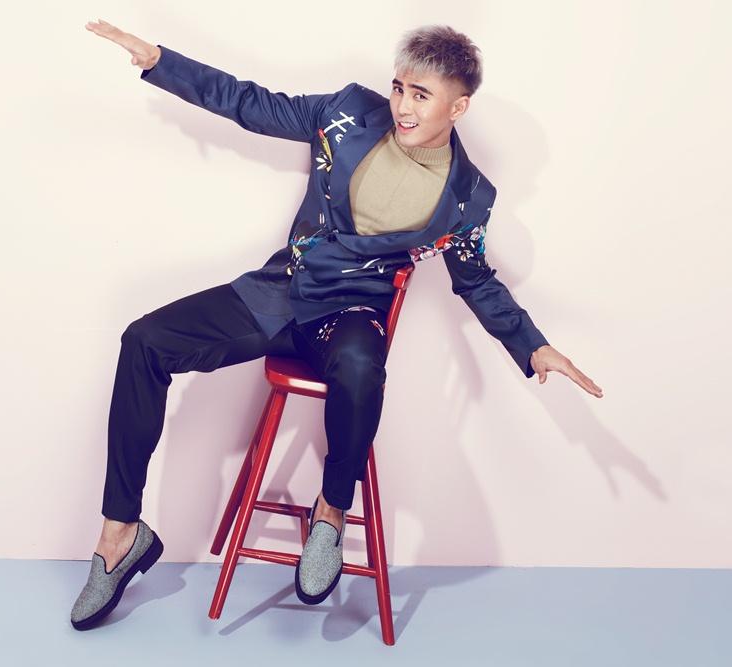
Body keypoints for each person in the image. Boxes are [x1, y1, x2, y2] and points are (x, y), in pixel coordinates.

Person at [71, 18, 604, 630]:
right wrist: (159, 61)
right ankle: (120, 535)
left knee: (360, 365)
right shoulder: (348, 112)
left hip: (350, 314)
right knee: (144, 341)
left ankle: (329, 513)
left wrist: (533, 347)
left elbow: (476, 280)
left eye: (421, 95)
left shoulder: (468, 198)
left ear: (458, 106)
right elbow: (251, 103)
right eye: (399, 88)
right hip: (280, 293)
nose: (403, 106)